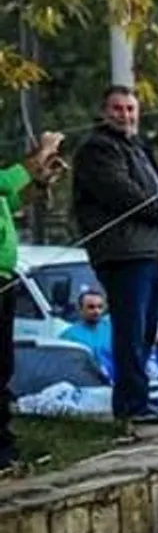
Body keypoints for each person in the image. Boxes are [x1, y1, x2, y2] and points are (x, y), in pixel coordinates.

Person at [71, 86, 158, 424]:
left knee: (145, 330)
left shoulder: (137, 147)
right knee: (131, 330)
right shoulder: (98, 148)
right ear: (103, 112)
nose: (125, 115)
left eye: (131, 109)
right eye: (117, 109)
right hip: (123, 251)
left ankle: (139, 401)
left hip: (148, 250)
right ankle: (132, 405)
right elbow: (125, 195)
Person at [0, 131, 65, 465]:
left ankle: (4, 441)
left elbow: (11, 200)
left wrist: (40, 183)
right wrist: (42, 152)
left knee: (3, 364)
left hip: (5, 278)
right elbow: (5, 183)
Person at [60, 289, 114, 379]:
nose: (97, 311)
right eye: (91, 307)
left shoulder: (111, 328)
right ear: (80, 309)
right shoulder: (69, 336)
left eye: (100, 307)